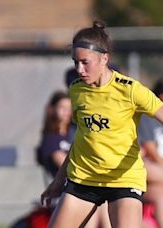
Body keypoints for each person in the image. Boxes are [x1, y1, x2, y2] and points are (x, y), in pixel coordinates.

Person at [41, 20, 163, 228]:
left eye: (85, 62)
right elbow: (82, 140)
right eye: (75, 62)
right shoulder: (76, 90)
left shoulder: (131, 90)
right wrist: (58, 181)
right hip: (84, 179)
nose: (80, 69)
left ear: (104, 58)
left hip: (123, 180)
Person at [37, 91, 110, 228]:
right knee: (98, 205)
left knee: (103, 203)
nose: (66, 112)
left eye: (69, 108)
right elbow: (69, 166)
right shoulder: (51, 139)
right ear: (52, 110)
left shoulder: (75, 133)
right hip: (64, 193)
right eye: (62, 108)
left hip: (85, 190)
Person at [138, 80, 163, 227]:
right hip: (150, 166)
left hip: (157, 184)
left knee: (161, 196)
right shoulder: (148, 118)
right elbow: (149, 148)